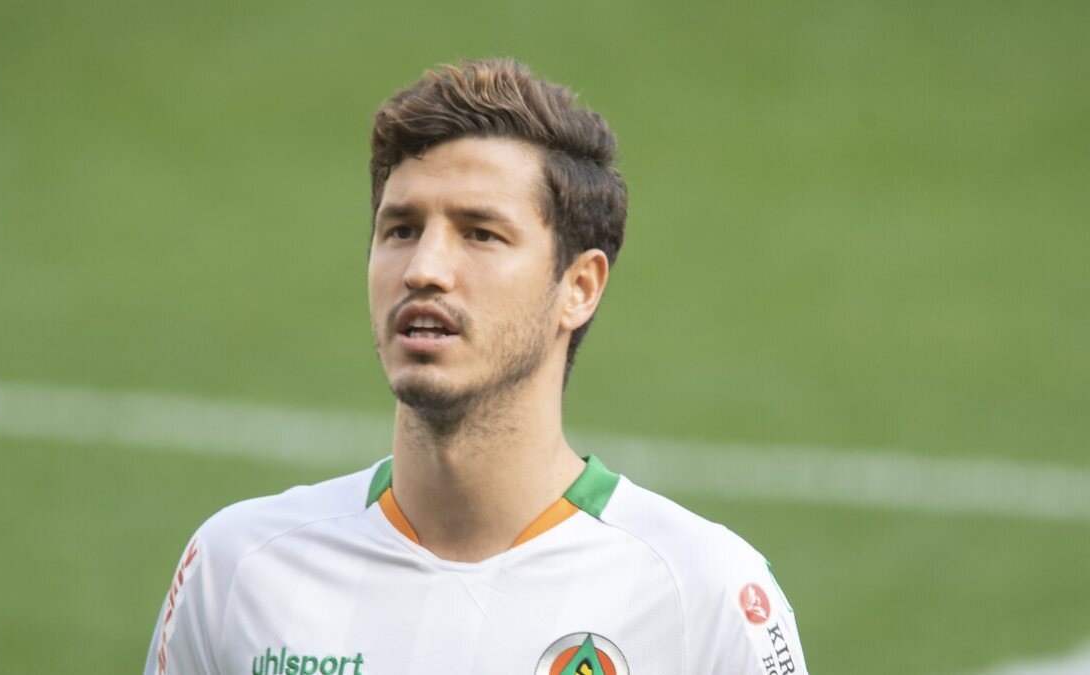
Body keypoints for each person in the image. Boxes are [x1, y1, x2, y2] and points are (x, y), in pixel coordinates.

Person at [144, 58, 808, 675]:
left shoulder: (704, 593)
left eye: (480, 233)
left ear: (579, 287)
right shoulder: (239, 568)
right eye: (401, 229)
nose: (423, 269)